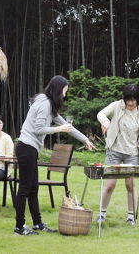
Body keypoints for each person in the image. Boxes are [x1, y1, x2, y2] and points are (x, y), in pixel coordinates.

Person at [14, 75, 96, 236]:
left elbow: (67, 126)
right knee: (25, 187)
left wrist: (85, 139)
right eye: (65, 91)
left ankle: (37, 223)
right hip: (26, 147)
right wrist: (58, 130)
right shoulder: (45, 104)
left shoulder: (49, 105)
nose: (65, 95)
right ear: (58, 90)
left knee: (33, 188)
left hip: (30, 148)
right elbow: (38, 129)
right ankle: (19, 227)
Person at [97, 84, 139, 226]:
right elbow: (100, 114)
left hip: (132, 153)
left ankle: (131, 217)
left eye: (134, 100)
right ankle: (101, 214)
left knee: (130, 185)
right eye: (128, 100)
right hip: (114, 150)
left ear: (138, 99)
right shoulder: (117, 106)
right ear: (124, 99)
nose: (131, 103)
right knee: (110, 184)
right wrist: (105, 121)